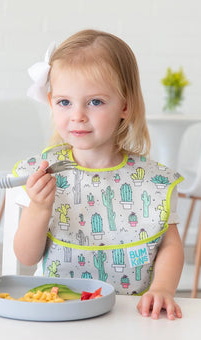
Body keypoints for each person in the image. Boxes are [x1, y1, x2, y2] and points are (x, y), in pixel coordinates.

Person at [13, 29, 184, 320]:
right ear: (51, 102)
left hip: (132, 315)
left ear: (125, 106)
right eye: (65, 102)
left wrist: (163, 289)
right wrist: (40, 208)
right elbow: (26, 258)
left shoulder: (152, 183)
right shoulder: (45, 174)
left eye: (95, 102)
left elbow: (170, 244)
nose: (77, 115)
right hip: (58, 312)